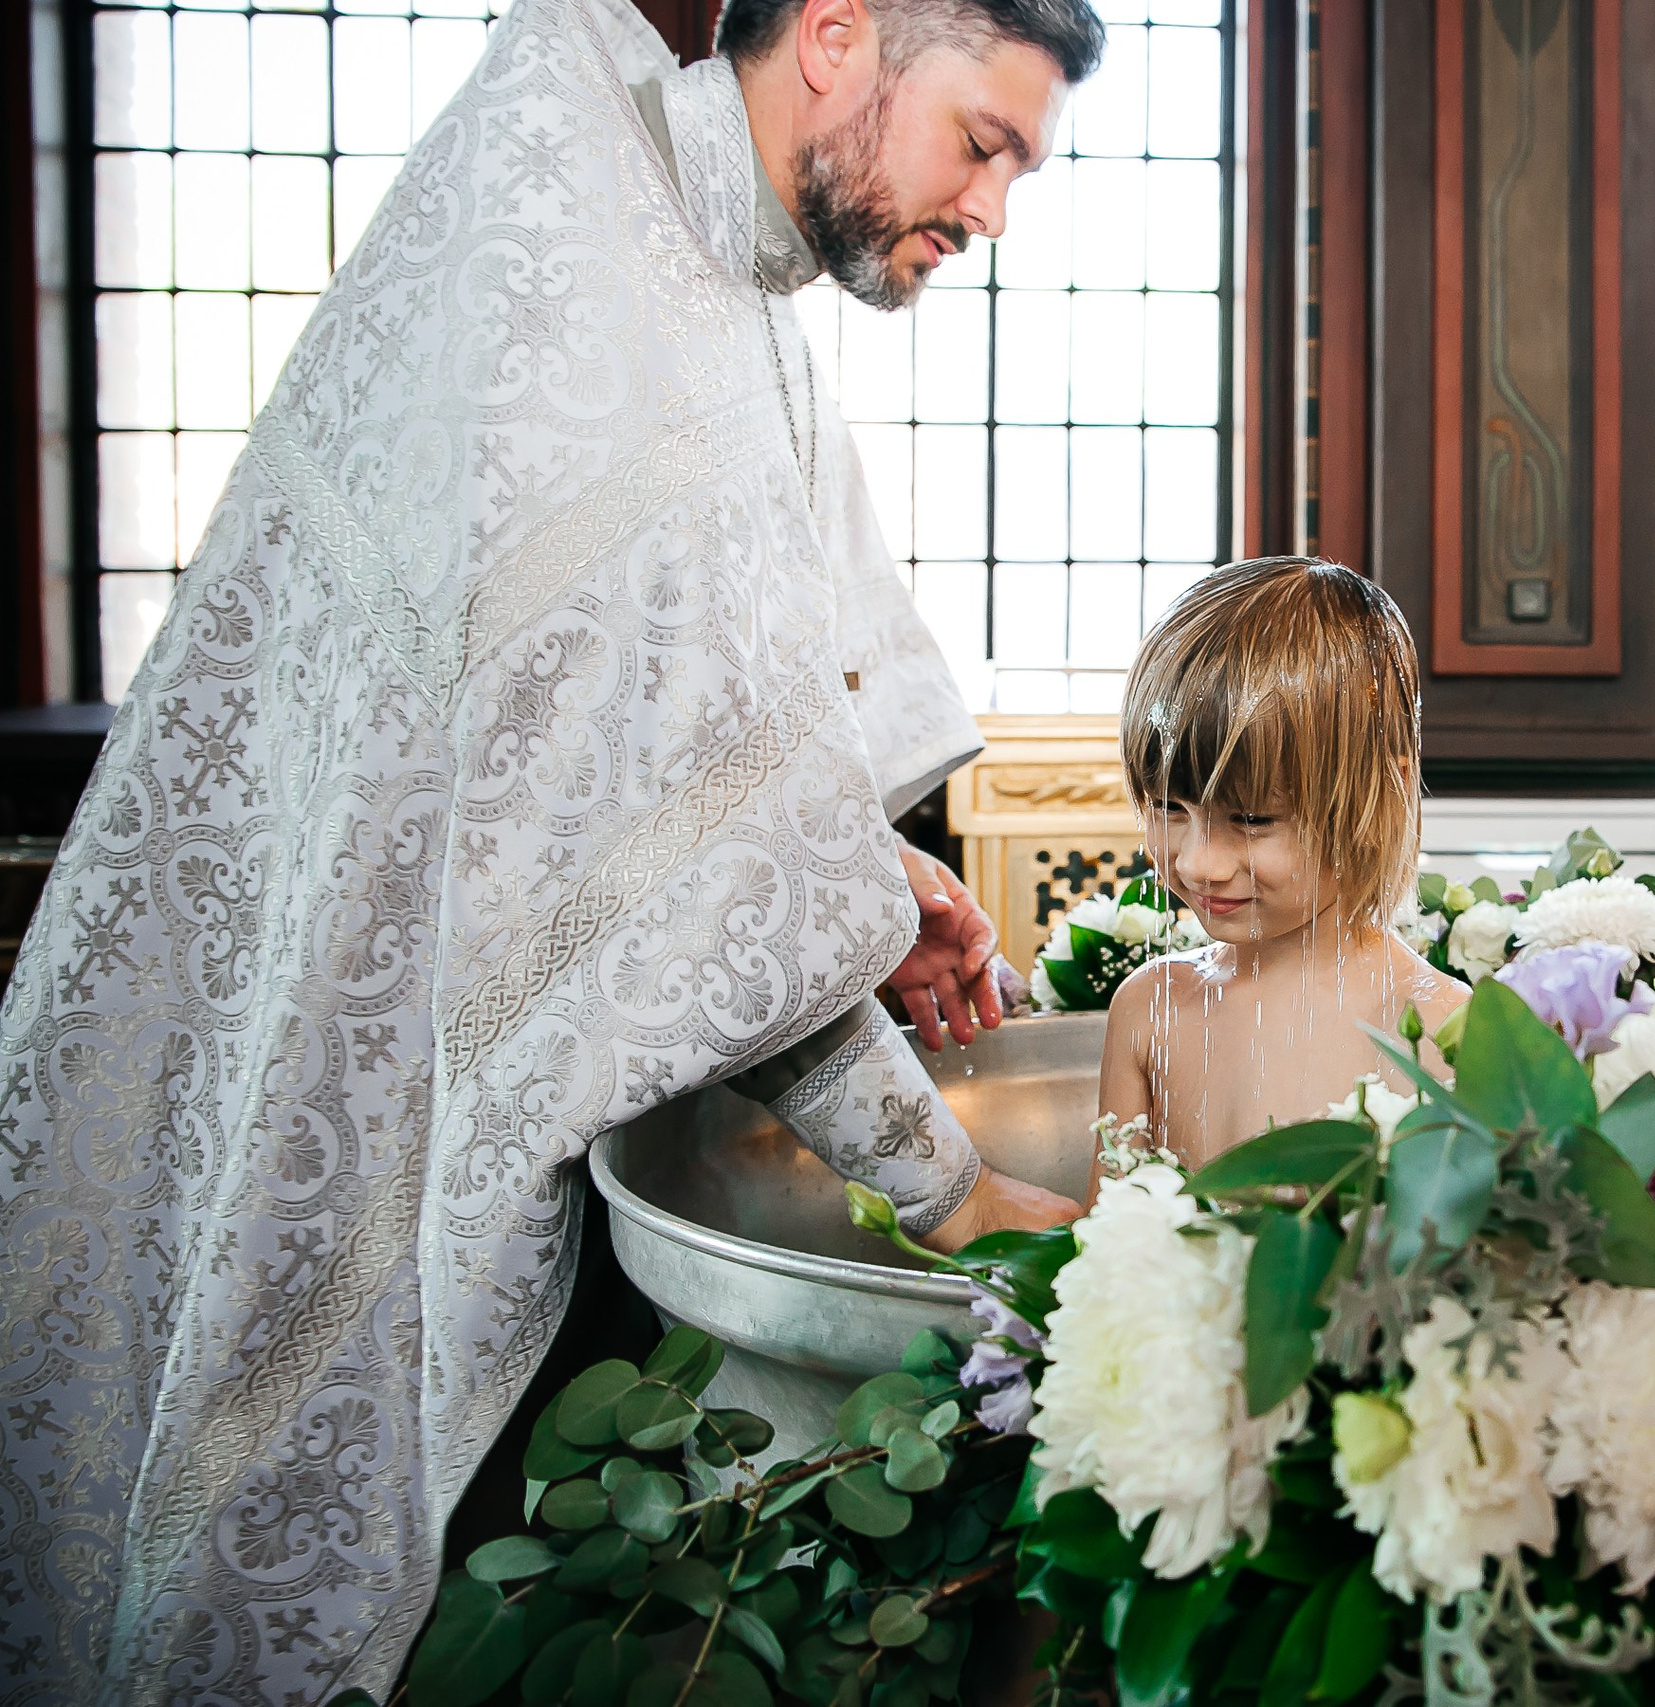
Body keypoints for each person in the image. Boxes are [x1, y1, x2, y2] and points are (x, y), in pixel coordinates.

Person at [0, 0, 1093, 1698]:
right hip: (350, 1048)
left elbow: (709, 742)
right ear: (840, 34)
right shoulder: (596, 253)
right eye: (985, 143)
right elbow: (690, 841)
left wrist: (877, 879)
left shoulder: (691, 234)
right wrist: (946, 1185)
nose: (995, 214)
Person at [1096, 559, 1468, 1170]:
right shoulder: (1150, 1008)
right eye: (1168, 807)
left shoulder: (1440, 1029)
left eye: (1250, 820)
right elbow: (1105, 1247)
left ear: (1380, 795)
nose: (1197, 862)